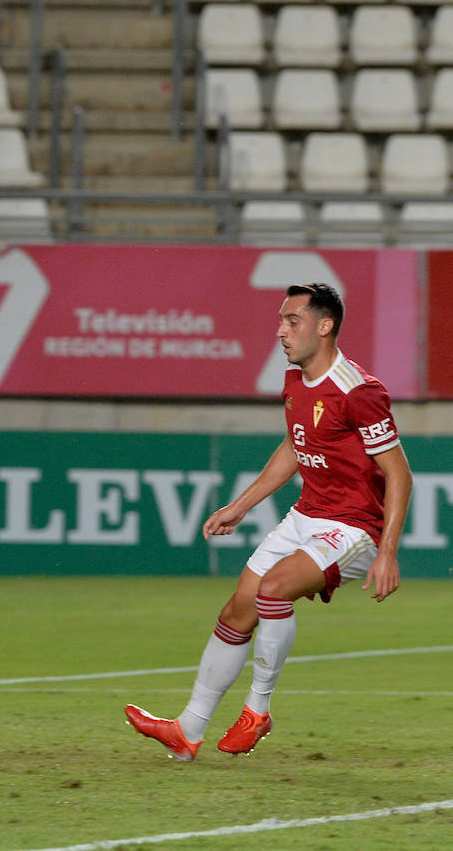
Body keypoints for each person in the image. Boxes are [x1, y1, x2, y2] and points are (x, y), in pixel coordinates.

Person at [125, 283, 412, 761]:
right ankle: (187, 730)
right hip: (306, 517)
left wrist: (387, 552)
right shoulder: (296, 382)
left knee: (273, 589)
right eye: (281, 320)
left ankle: (257, 710)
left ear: (325, 326)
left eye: (292, 321)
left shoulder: (359, 391)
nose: (281, 331)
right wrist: (241, 505)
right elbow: (295, 447)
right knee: (236, 611)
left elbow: (398, 472)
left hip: (355, 527)